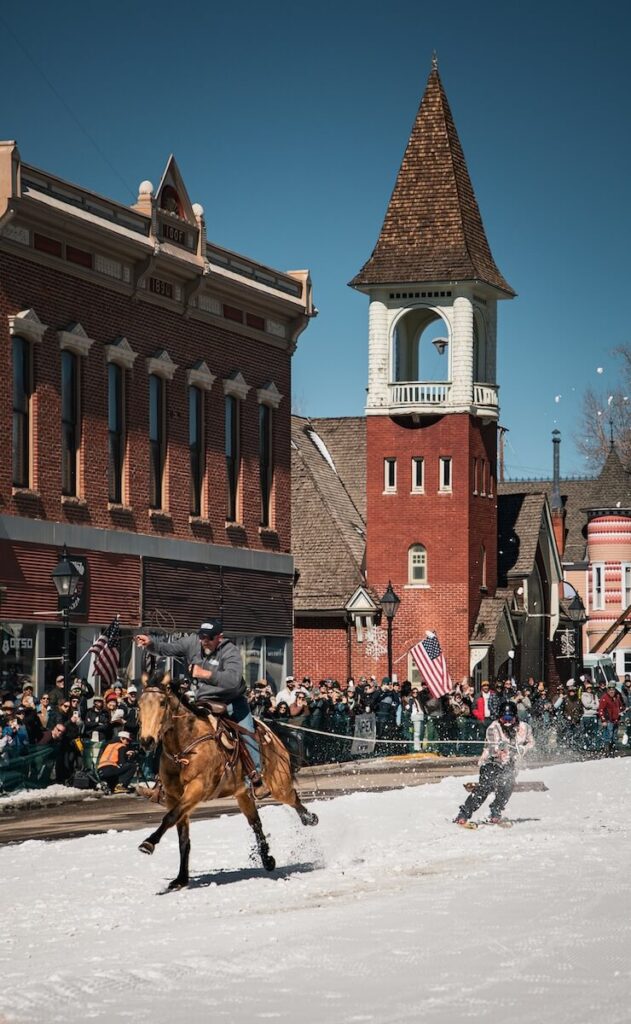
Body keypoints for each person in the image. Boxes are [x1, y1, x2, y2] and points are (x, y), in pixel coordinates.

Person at [135, 620, 268, 798]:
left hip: (232, 700)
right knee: (172, 729)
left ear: (219, 638)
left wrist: (205, 674)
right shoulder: (192, 643)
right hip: (203, 700)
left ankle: (255, 778)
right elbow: (168, 648)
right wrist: (150, 643)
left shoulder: (230, 652)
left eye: (209, 638)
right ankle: (162, 782)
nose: (204, 641)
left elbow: (233, 680)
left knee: (247, 733)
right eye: (201, 637)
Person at [454, 700, 535, 829]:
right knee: (485, 787)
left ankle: (495, 810)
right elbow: (493, 749)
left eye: (510, 718)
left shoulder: (524, 728)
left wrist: (523, 749)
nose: (507, 721)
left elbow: (531, 743)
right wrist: (502, 748)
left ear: (515, 717)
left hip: (510, 763)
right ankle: (463, 813)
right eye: (504, 718)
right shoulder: (493, 727)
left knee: (507, 785)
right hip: (491, 762)